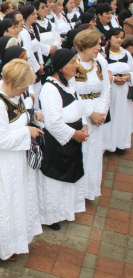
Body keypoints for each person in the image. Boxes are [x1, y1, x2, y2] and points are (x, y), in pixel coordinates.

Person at [0, 59, 43, 262]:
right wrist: (27, 131)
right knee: (5, 202)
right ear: (13, 83)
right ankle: (3, 246)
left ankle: (17, 239)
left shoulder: (13, 96)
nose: (26, 90)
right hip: (4, 162)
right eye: (24, 85)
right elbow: (2, 140)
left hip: (17, 158)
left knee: (18, 200)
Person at [37, 49, 88, 231]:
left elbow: (78, 106)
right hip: (58, 141)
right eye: (72, 63)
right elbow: (53, 122)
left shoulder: (69, 84)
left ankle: (66, 209)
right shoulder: (50, 89)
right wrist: (75, 135)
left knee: (70, 172)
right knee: (55, 178)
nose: (76, 66)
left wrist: (84, 127)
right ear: (60, 67)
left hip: (73, 136)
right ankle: (51, 215)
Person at [71, 29, 110, 200]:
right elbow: (72, 92)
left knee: (94, 153)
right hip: (81, 113)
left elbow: (106, 88)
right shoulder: (73, 63)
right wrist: (90, 113)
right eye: (95, 44)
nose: (99, 48)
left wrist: (102, 112)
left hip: (98, 114)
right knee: (82, 152)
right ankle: (78, 193)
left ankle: (90, 190)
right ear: (84, 46)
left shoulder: (100, 62)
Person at [103, 29, 133, 155]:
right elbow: (102, 73)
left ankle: (121, 143)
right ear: (109, 39)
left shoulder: (126, 54)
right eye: (116, 37)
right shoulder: (104, 55)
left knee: (122, 115)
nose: (119, 39)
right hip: (110, 90)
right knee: (111, 114)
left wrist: (128, 77)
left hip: (124, 90)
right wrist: (114, 79)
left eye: (121, 37)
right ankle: (109, 144)